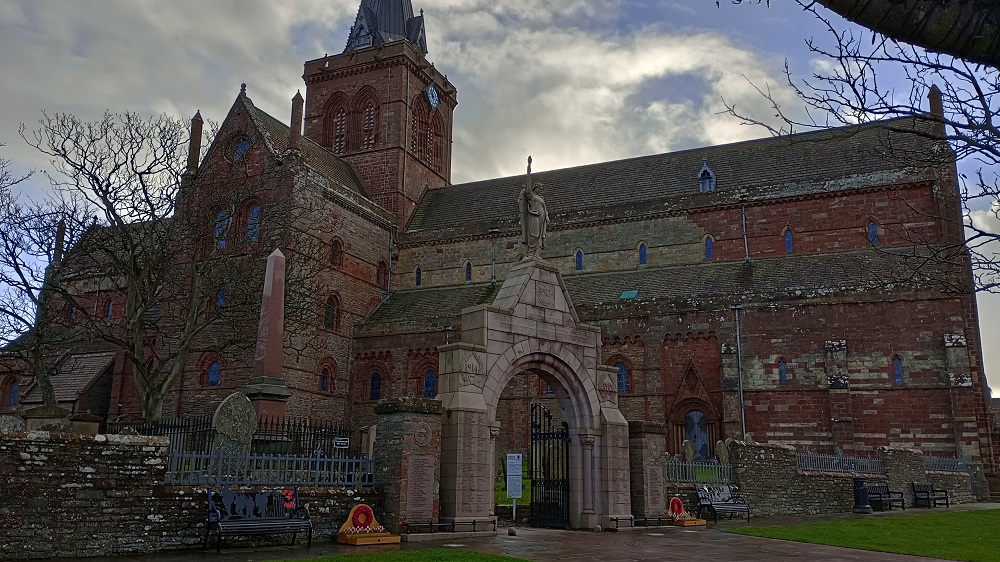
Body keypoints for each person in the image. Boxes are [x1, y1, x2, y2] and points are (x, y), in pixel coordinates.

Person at [519, 156, 549, 259]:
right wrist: (529, 168)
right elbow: (528, 184)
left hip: (542, 218)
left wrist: (547, 217)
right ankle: (530, 254)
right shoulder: (531, 195)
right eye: (539, 188)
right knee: (534, 235)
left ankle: (536, 254)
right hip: (533, 216)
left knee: (539, 237)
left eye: (541, 189)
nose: (540, 190)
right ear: (535, 188)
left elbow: (544, 208)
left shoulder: (541, 198)